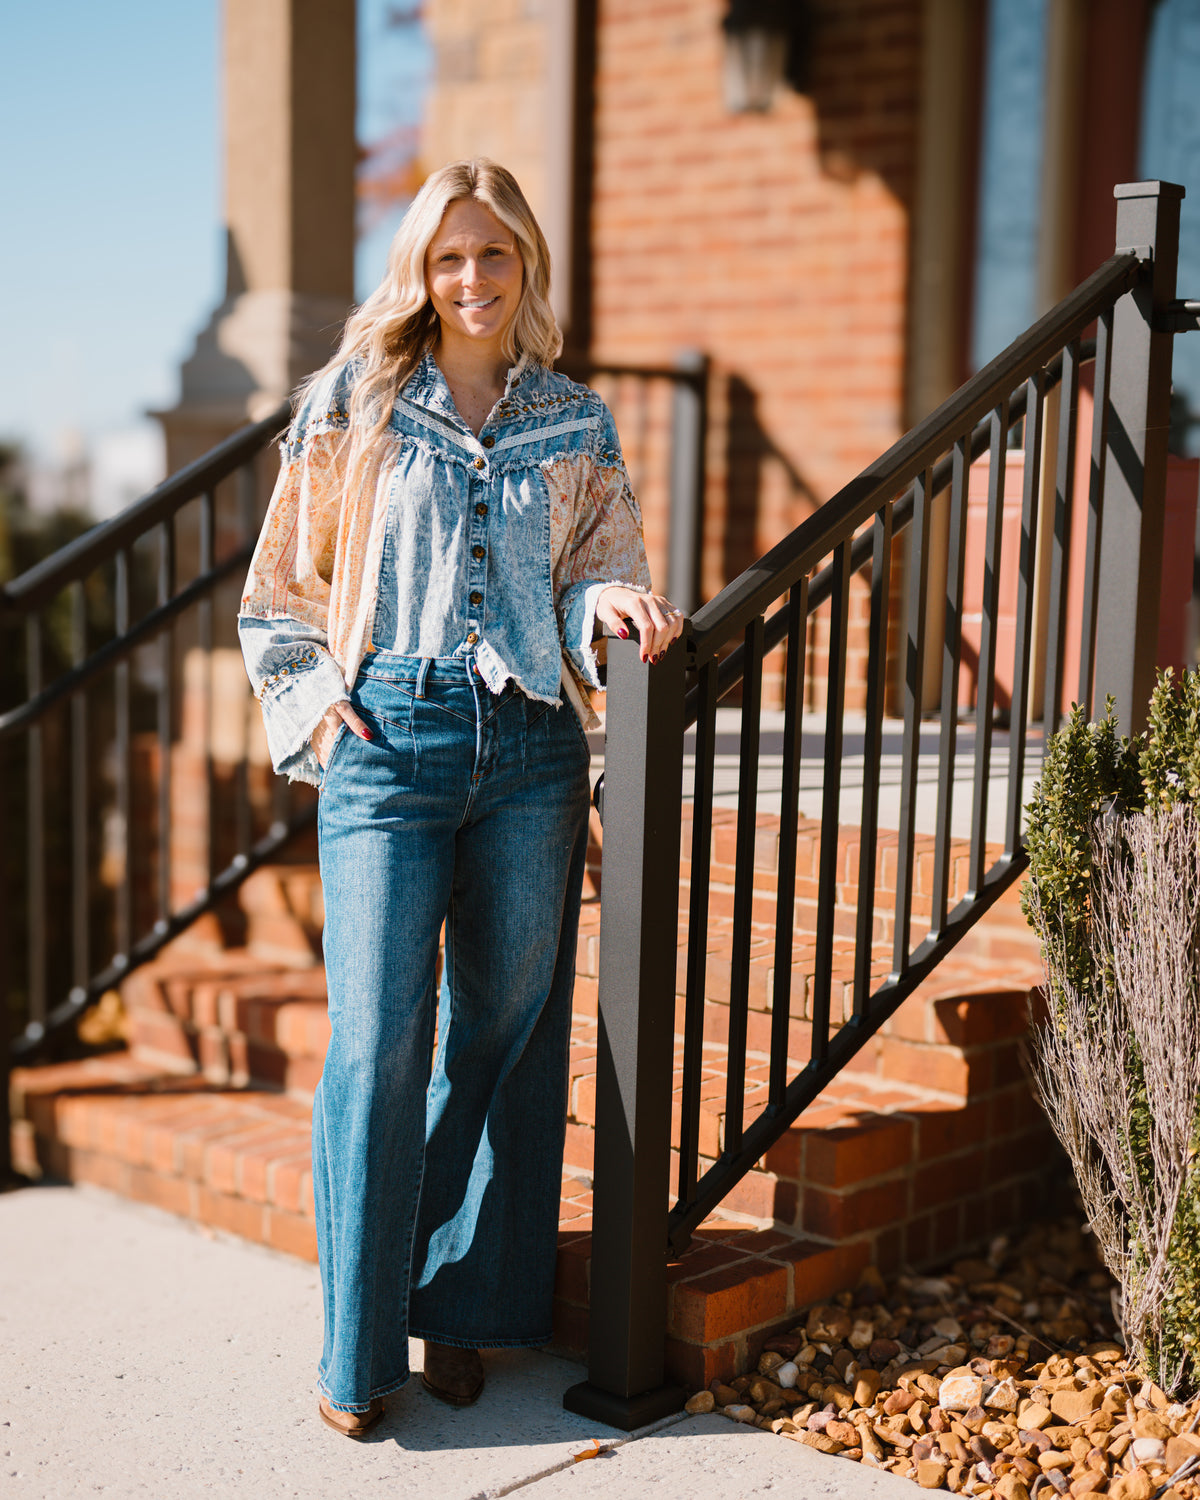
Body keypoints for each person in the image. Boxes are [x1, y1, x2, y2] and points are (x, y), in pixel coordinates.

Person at [238, 158, 684, 1438]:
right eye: (450, 258)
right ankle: (356, 1346)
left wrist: (602, 603)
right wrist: (319, 703)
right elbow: (282, 588)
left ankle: (456, 1307)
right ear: (421, 274)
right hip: (392, 735)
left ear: (525, 263)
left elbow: (601, 567)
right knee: (381, 1043)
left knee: (505, 1026)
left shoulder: (576, 421)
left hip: (535, 748)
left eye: (494, 255)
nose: (474, 279)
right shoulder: (356, 406)